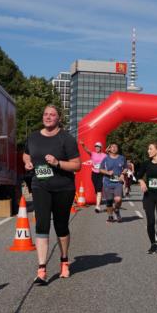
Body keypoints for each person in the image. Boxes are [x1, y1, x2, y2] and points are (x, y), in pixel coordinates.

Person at [22, 105, 81, 284]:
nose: (48, 117)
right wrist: (27, 163)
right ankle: (41, 269)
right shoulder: (33, 137)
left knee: (61, 226)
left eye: (52, 115)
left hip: (63, 187)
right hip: (40, 185)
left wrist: (57, 163)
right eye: (46, 114)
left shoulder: (67, 139)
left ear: (58, 118)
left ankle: (64, 260)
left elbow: (77, 165)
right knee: (42, 224)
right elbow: (26, 155)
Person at [100, 143, 127, 222]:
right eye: (112, 147)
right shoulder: (106, 159)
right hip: (107, 182)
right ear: (109, 149)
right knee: (109, 200)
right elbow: (100, 169)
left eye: (116, 147)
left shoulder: (122, 158)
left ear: (118, 149)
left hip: (118, 182)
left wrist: (122, 174)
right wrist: (108, 173)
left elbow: (125, 168)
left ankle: (117, 210)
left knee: (118, 199)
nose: (114, 148)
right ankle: (110, 216)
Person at [80, 140, 107, 212]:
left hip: (101, 173)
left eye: (98, 147)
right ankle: (98, 201)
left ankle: (97, 206)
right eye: (96, 146)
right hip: (94, 174)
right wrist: (83, 145)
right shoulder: (93, 154)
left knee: (99, 189)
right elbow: (87, 150)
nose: (97, 148)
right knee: (96, 190)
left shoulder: (104, 155)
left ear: (101, 147)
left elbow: (109, 159)